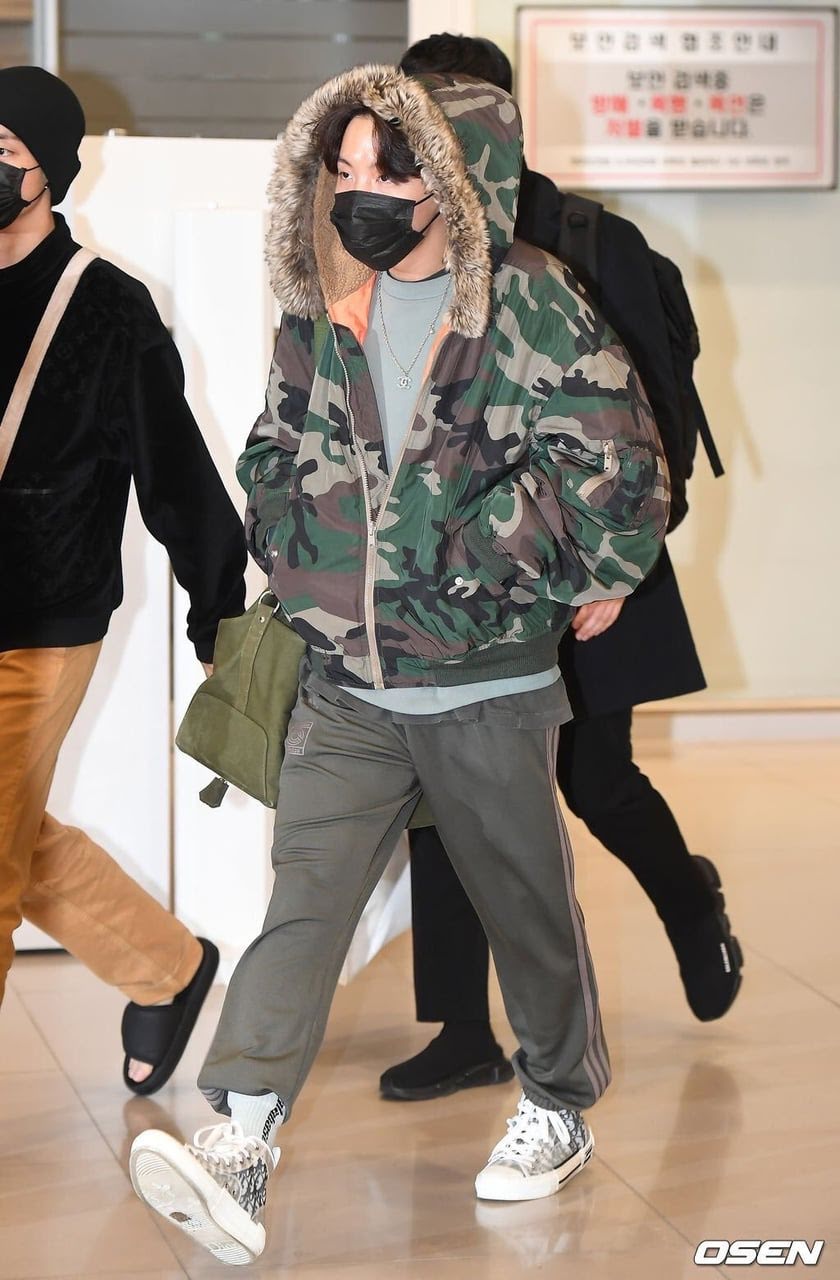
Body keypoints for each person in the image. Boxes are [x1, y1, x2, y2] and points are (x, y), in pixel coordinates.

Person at [128, 64, 669, 1263]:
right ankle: (241, 1139)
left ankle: (558, 1099)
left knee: (525, 905)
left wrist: (494, 558)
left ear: (455, 178)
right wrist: (305, 560)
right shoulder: (327, 307)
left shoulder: (535, 307)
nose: (358, 191)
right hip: (346, 684)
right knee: (302, 902)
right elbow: (272, 455)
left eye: (387, 167)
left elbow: (622, 478)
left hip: (485, 685)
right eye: (345, 168)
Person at [375, 34, 743, 1105]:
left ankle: (691, 902)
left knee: (593, 780)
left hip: (583, 580)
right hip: (449, 585)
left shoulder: (588, 240)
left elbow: (653, 427)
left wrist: (605, 570)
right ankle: (461, 1028)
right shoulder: (400, 237)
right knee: (443, 795)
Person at [0, 67, 247, 1094]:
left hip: (38, 623)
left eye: (4, 153)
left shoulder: (105, 305)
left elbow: (176, 472)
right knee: (13, 830)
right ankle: (169, 967)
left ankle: (169, 969)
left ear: (49, 174)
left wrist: (218, 616)